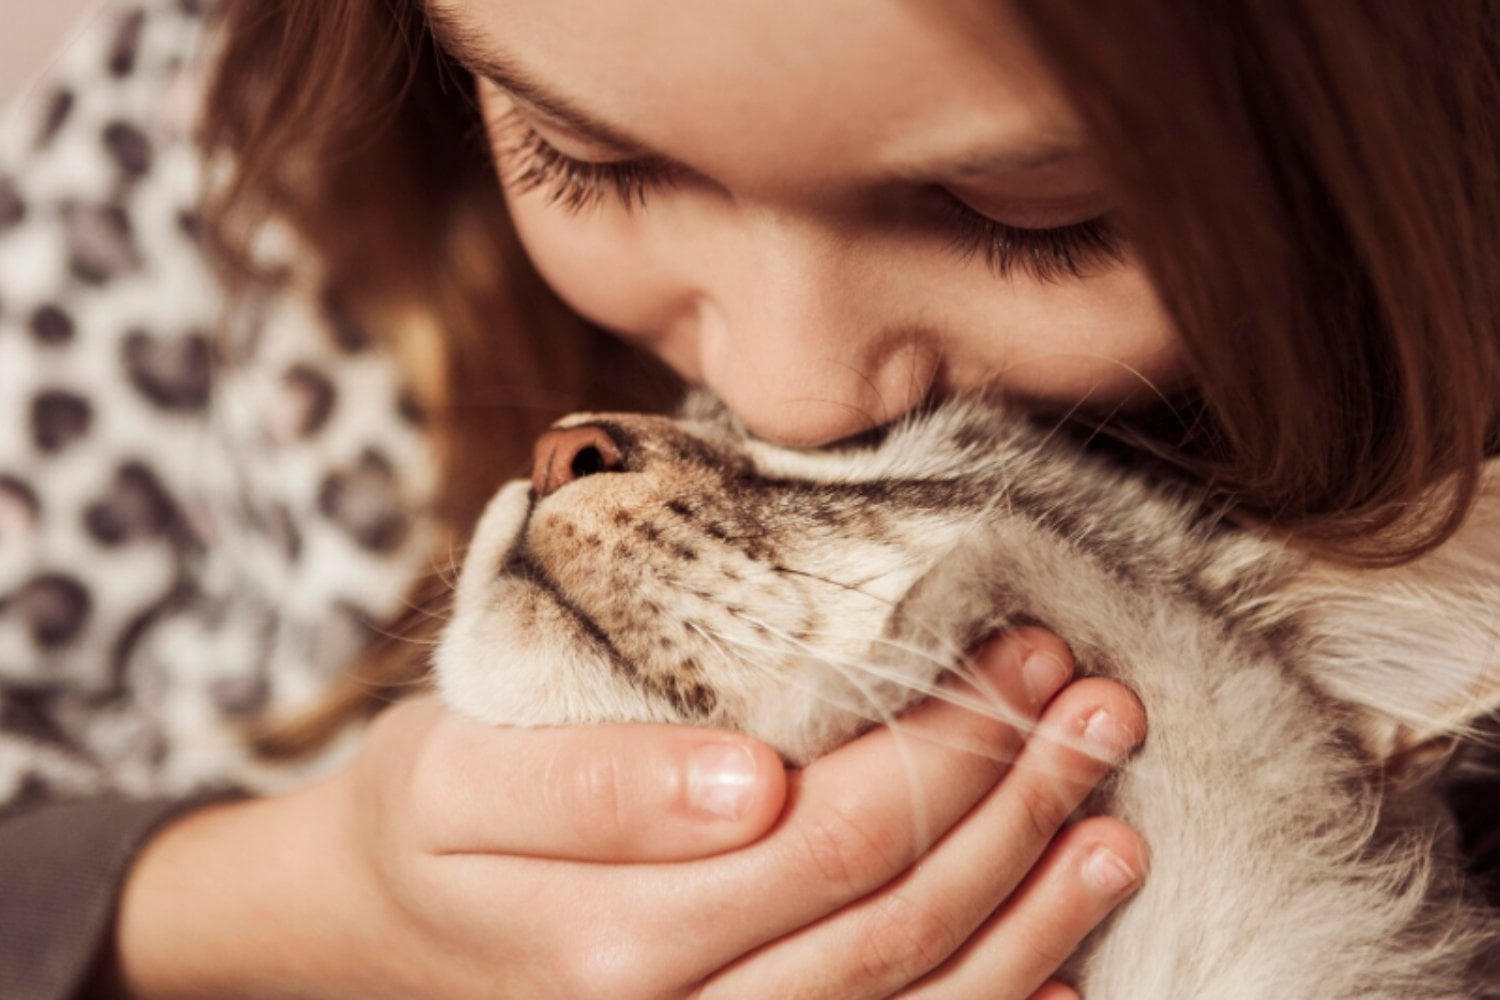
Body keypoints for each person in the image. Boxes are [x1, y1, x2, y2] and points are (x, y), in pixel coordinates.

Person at [0, 0, 1494, 997]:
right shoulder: (191, 131)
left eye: (1034, 217)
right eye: (583, 154)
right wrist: (300, 901)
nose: (787, 392)